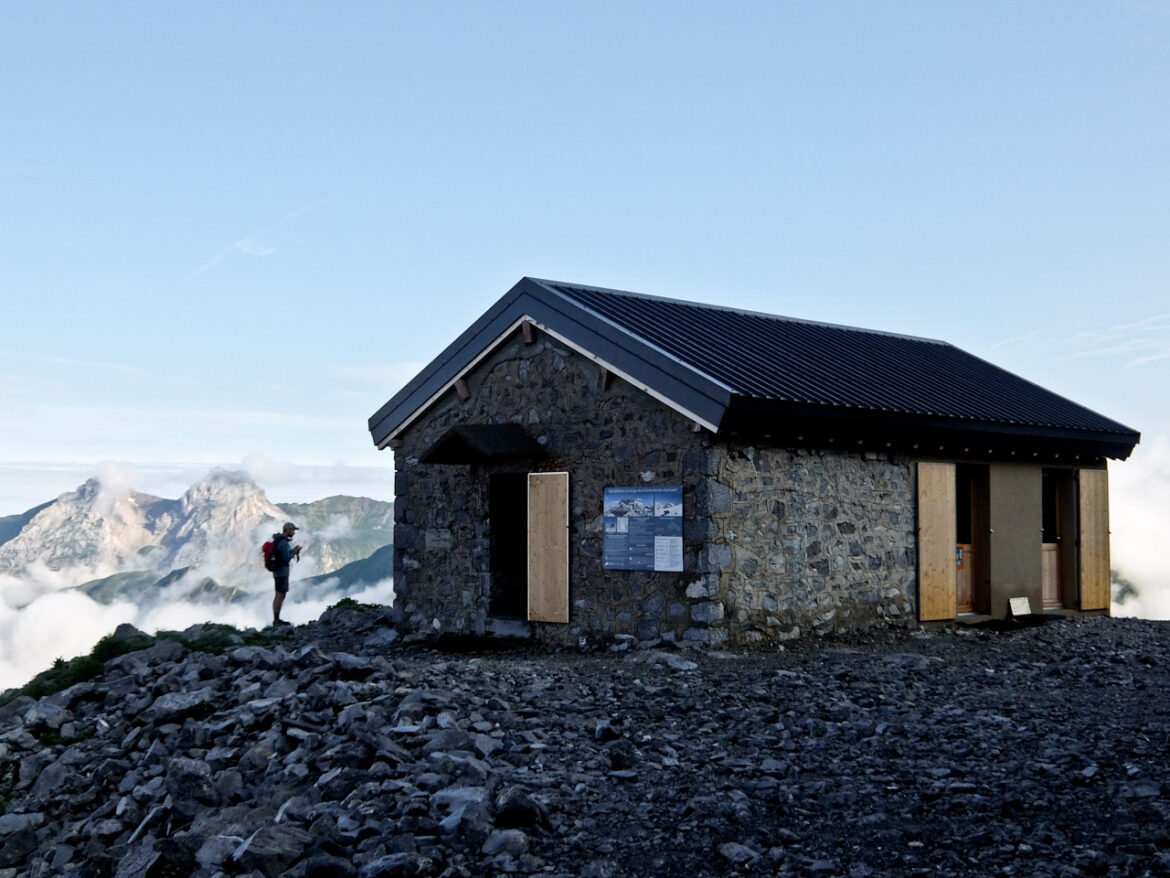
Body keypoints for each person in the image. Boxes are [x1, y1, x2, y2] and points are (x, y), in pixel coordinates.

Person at [270, 521, 302, 626]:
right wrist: (294, 551)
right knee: (281, 595)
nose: (293, 532)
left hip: (277, 572)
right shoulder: (283, 543)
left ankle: (276, 619)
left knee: (278, 595)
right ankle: (277, 620)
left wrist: (292, 551)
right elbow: (285, 559)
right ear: (287, 530)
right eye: (292, 530)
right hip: (282, 573)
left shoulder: (279, 541)